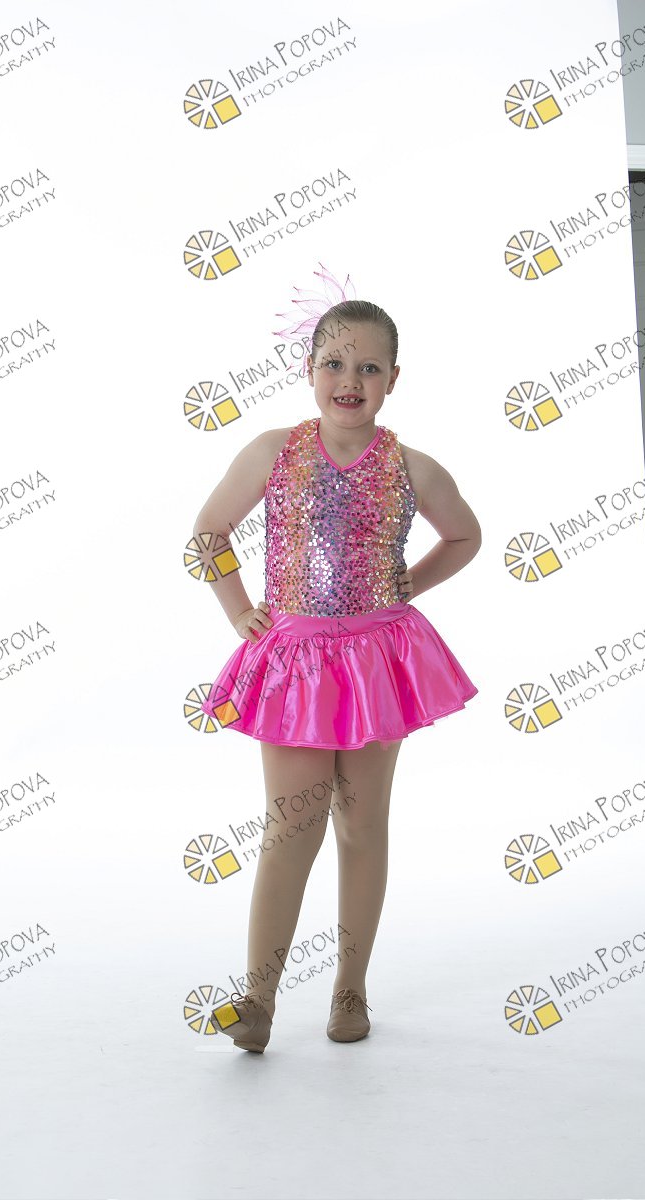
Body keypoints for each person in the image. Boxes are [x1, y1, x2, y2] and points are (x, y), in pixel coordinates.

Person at [193, 299, 481, 1052]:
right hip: (295, 663)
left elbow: (465, 535)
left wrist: (409, 583)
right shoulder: (272, 452)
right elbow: (208, 532)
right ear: (309, 369)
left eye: (368, 367)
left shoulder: (412, 467)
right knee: (292, 826)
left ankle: (350, 987)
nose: (349, 380)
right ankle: (258, 998)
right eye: (334, 363)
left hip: (375, 662)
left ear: (393, 379)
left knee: (360, 821)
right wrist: (239, 610)